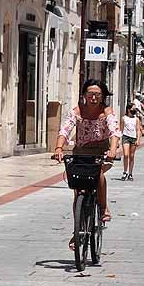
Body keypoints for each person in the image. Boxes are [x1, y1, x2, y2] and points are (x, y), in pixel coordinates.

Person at [53, 79, 121, 248]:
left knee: (98, 173)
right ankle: (78, 231)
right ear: (84, 95)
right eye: (90, 94)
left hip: (101, 152)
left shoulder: (106, 112)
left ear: (102, 96)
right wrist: (59, 147)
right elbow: (65, 129)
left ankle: (104, 207)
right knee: (78, 190)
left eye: (97, 94)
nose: (93, 98)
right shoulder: (77, 111)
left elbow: (114, 131)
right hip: (81, 151)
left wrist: (113, 149)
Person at [120, 103, 144, 181]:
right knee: (126, 154)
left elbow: (138, 130)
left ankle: (130, 173)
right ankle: (125, 172)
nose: (134, 110)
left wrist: (138, 139)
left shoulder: (136, 119)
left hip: (133, 138)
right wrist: (118, 140)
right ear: (128, 109)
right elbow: (121, 129)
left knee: (131, 156)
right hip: (125, 137)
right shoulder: (123, 118)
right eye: (133, 108)